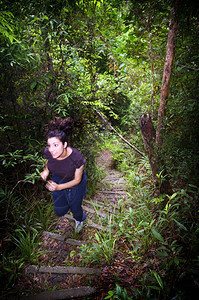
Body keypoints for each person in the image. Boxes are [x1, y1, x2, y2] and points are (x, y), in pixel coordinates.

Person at [40, 117, 87, 233]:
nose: (51, 150)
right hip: (58, 178)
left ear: (65, 144)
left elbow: (77, 180)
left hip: (75, 182)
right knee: (60, 211)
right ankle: (68, 203)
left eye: (55, 145)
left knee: (75, 206)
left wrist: (58, 187)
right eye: (49, 145)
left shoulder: (77, 158)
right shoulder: (49, 152)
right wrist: (46, 171)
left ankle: (79, 219)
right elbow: (48, 161)